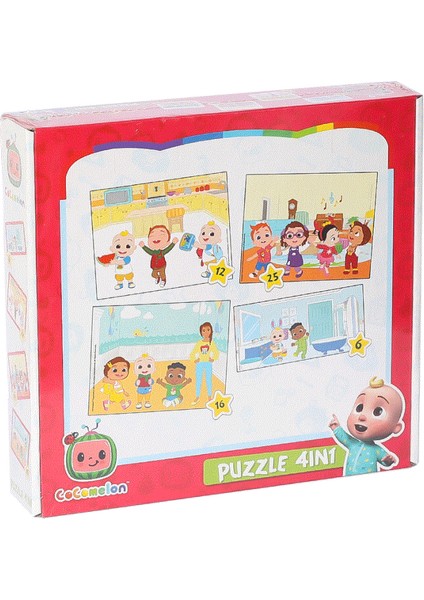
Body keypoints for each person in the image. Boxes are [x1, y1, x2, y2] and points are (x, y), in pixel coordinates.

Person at [329, 376, 405, 476]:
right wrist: (336, 428)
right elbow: (344, 438)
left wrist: (388, 460)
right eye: (359, 408)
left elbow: (384, 460)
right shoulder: (353, 444)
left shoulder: (376, 450)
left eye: (378, 412)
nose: (362, 416)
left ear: (396, 427)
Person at [190, 322, 219, 405]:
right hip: (199, 364)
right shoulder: (199, 343)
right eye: (203, 330)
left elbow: (216, 353)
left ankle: (209, 397)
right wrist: (195, 360)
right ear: (201, 332)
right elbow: (192, 353)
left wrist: (213, 359)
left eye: (208, 330)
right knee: (198, 380)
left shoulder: (211, 343)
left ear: (211, 331)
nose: (206, 332)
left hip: (208, 364)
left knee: (208, 380)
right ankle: (197, 397)